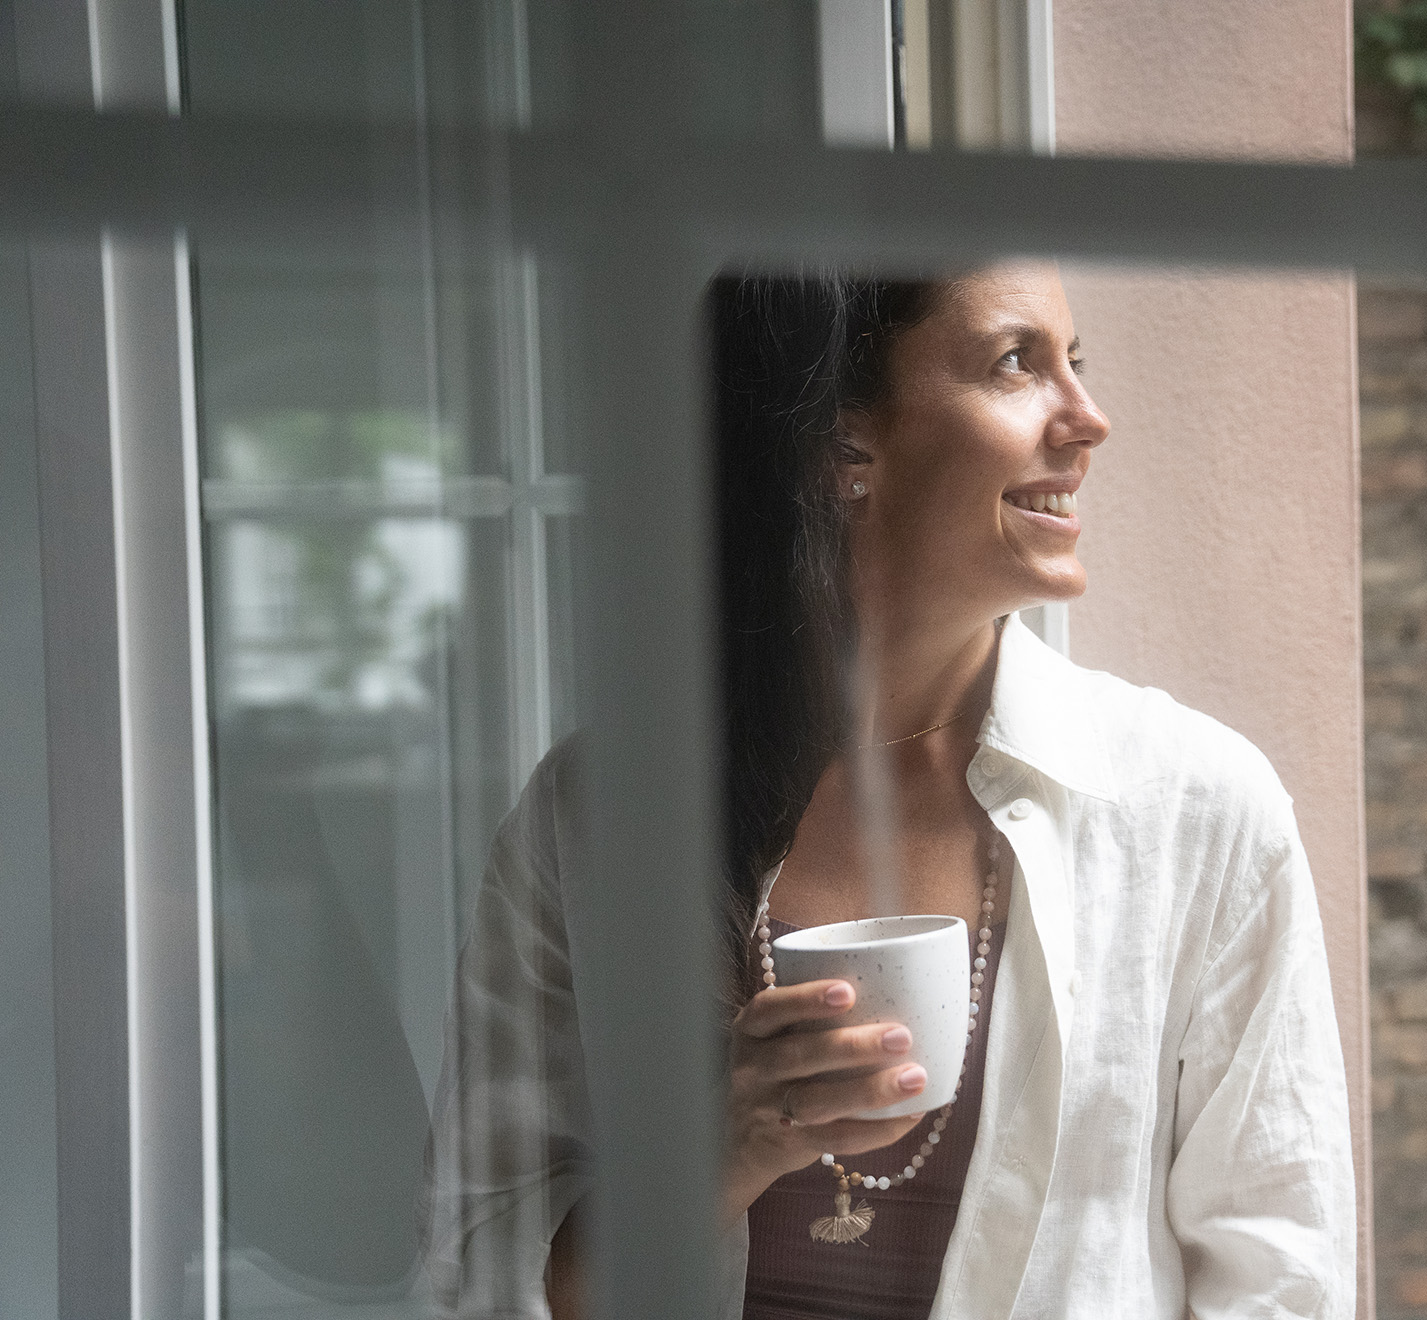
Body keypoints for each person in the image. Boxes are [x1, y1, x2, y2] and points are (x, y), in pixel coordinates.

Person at [424, 263, 1356, 1319]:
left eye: (1077, 364)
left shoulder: (1192, 815)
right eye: (1018, 364)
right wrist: (718, 1154)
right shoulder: (599, 818)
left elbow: (1285, 1283)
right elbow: (470, 1275)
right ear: (841, 447)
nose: (1088, 420)